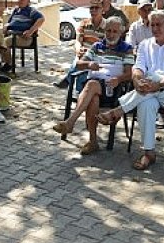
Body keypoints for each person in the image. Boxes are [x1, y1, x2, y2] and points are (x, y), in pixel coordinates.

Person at [96, 10, 164, 171]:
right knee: (147, 103)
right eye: (152, 24)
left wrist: (157, 84)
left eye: (158, 24)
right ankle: (149, 153)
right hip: (148, 92)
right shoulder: (145, 45)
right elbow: (137, 68)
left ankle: (119, 111)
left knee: (155, 76)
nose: (155, 28)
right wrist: (137, 81)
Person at [52, 16, 134, 155]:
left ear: (120, 33)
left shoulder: (126, 49)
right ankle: (93, 142)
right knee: (93, 98)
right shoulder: (97, 46)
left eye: (115, 31)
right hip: (95, 87)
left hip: (112, 88)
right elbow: (78, 64)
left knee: (91, 85)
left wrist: (119, 79)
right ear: (104, 31)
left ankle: (71, 122)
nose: (111, 34)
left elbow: (130, 73)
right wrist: (89, 64)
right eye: (108, 30)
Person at [52, 0, 108, 89]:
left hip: (98, 54)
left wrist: (91, 52)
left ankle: (68, 81)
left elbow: (107, 45)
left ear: (103, 10)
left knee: (81, 66)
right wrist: (78, 49)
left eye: (96, 8)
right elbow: (78, 40)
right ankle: (78, 91)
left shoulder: (107, 26)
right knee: (80, 63)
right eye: (91, 8)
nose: (93, 10)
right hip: (83, 53)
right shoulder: (84, 23)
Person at [0, 0, 45, 71]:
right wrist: (6, 26)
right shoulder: (16, 10)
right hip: (12, 35)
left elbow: (41, 19)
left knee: (4, 43)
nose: (20, 1)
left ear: (28, 2)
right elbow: (9, 22)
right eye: (19, 0)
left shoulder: (31, 10)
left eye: (22, 0)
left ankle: (9, 64)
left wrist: (30, 31)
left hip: (24, 38)